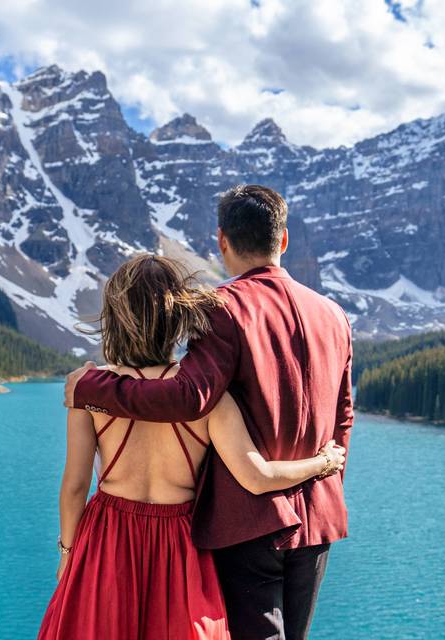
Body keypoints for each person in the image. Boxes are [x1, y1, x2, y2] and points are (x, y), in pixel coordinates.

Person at [65, 184, 354, 640]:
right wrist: (327, 477)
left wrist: (92, 386)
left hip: (250, 525)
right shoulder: (334, 315)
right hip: (319, 518)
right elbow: (343, 417)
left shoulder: (224, 305)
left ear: (222, 241)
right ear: (283, 240)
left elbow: (186, 397)